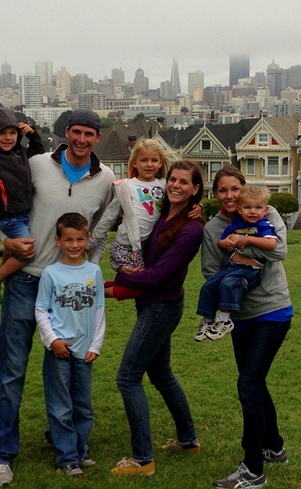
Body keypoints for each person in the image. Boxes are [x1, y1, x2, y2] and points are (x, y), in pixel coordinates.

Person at [0, 109, 114, 487]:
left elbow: (99, 231)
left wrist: (89, 271)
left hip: (70, 290)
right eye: (76, 132)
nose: (82, 140)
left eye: (89, 134)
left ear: (97, 137)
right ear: (66, 132)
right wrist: (5, 239)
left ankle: (67, 443)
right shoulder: (37, 164)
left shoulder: (105, 179)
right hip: (27, 280)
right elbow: (4, 200)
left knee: (69, 373)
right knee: (10, 371)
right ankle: (1, 455)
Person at [110, 161, 204, 477]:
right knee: (161, 374)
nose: (175, 185)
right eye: (172, 180)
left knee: (127, 377)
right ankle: (188, 441)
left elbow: (158, 275)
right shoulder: (165, 215)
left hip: (161, 307)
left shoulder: (191, 229)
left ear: (195, 189)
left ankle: (142, 460)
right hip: (154, 304)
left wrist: (119, 280)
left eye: (184, 182)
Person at [203, 166, 291, 489]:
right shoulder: (213, 228)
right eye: (222, 190)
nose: (230, 196)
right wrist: (240, 266)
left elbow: (279, 250)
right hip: (239, 316)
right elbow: (210, 271)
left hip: (273, 310)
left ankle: (253, 469)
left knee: (248, 384)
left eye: (235, 189)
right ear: (216, 194)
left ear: (244, 189)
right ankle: (274, 447)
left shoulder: (267, 213)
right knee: (254, 382)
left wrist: (241, 245)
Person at [35, 213, 106, 479]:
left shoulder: (94, 271)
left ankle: (79, 450)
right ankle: (66, 458)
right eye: (68, 240)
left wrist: (96, 345)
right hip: (59, 351)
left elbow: (99, 309)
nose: (74, 245)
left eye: (79, 239)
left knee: (83, 406)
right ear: (58, 240)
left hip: (84, 351)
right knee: (60, 406)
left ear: (87, 239)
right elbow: (41, 310)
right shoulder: (51, 273)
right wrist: (52, 340)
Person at [87, 138, 202, 300]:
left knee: (140, 282)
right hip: (125, 245)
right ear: (134, 163)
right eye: (144, 160)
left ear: (161, 163)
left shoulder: (164, 185)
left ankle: (97, 288)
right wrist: (90, 244)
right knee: (139, 285)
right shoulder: (126, 187)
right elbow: (108, 218)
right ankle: (94, 292)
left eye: (154, 160)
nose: (149, 165)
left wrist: (199, 206)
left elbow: (184, 194)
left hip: (143, 247)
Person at [0, 106, 45, 305]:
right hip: (9, 216)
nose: (7, 138)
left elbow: (39, 152)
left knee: (16, 249)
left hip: (23, 212)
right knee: (28, 253)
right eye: (1, 133)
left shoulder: (20, 153)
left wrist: (33, 135)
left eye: (12, 133)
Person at [195, 185, 277, 342]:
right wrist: (223, 243)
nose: (252, 211)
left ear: (265, 210)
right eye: (247, 207)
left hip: (251, 270)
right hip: (232, 267)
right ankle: (208, 320)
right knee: (209, 286)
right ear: (239, 209)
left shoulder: (263, 225)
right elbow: (221, 241)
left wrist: (248, 239)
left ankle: (224, 320)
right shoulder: (236, 224)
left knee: (229, 284)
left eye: (258, 208)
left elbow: (272, 244)